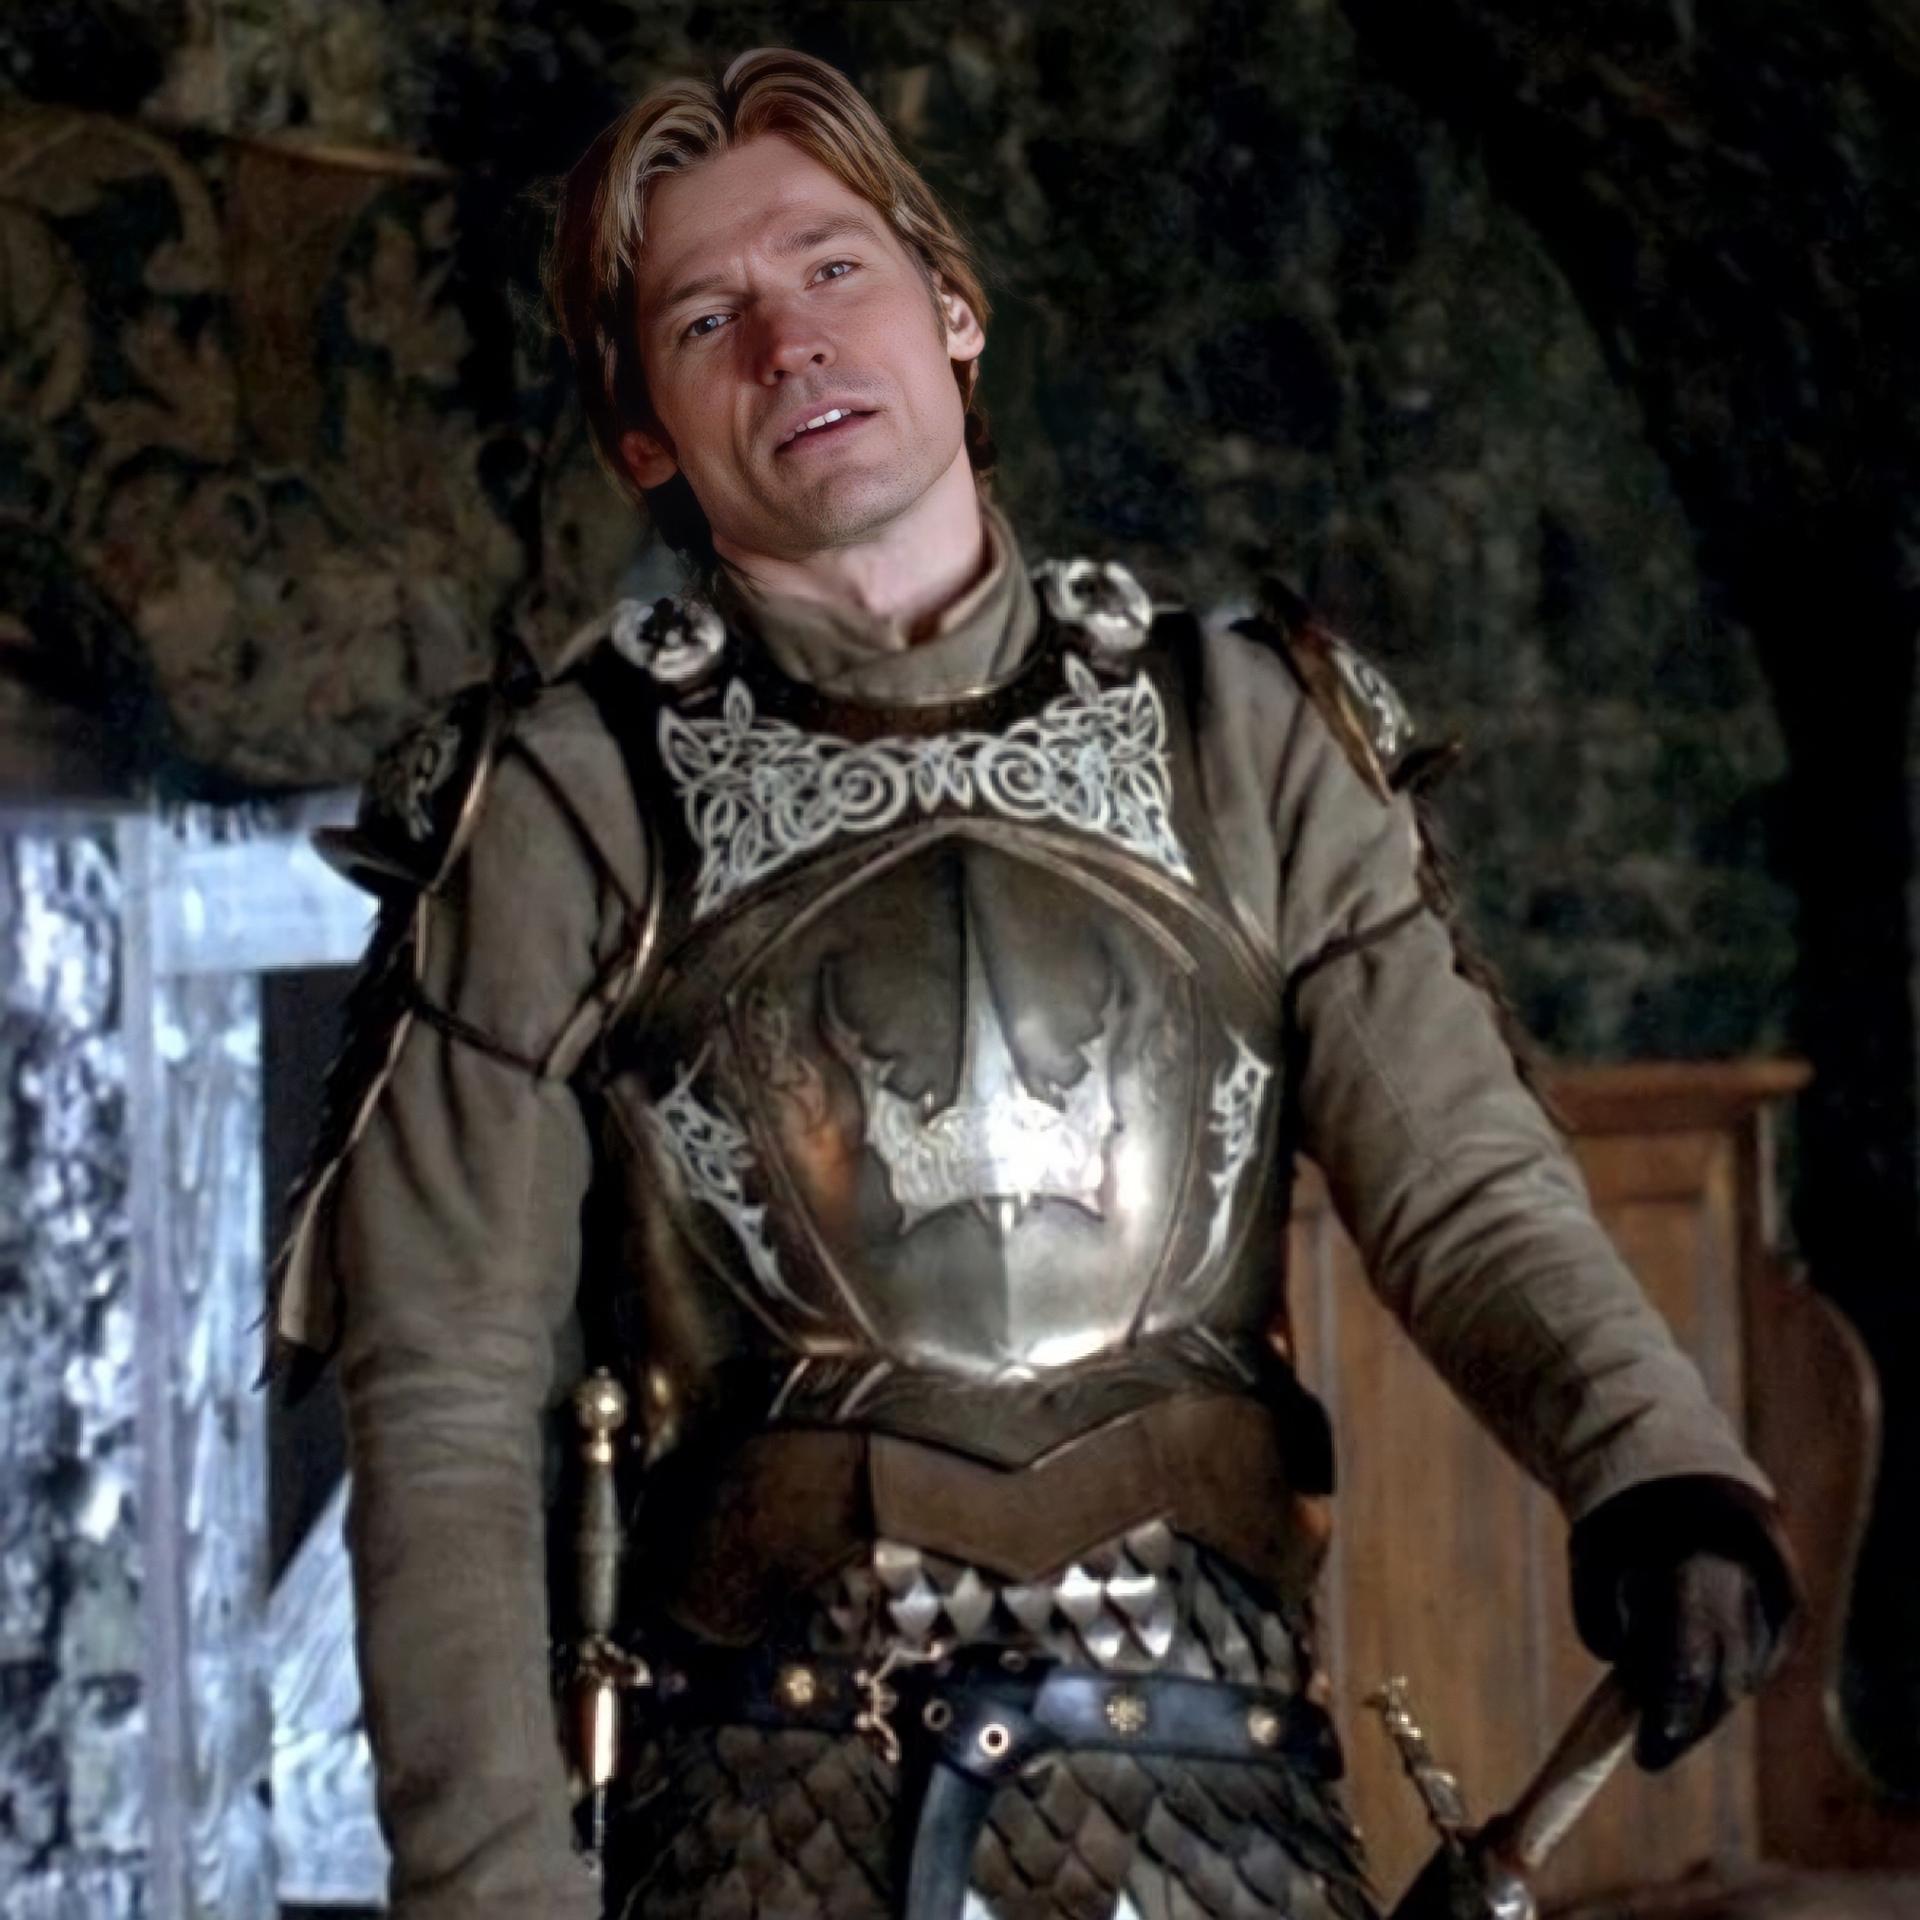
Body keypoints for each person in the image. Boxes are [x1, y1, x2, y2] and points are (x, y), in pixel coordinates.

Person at [263, 47, 1797, 1920]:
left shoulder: (1249, 732)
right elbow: (447, 1397)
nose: (791, 343)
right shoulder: (552, 811)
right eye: (706, 319)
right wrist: (495, 1892)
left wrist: (1655, 1469)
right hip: (753, 1818)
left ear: (953, 307)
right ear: (645, 434)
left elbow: (1466, 1188)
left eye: (835, 268)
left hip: (1219, 1808)